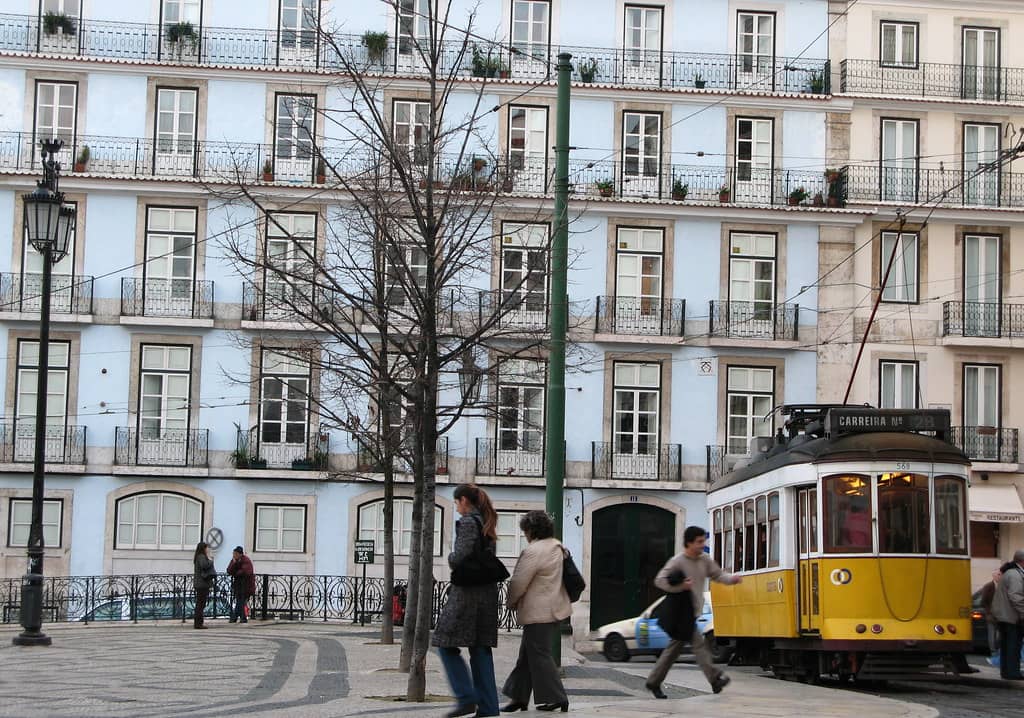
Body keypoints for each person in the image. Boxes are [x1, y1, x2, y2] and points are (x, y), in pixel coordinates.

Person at [646, 525, 741, 699]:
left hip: (692, 611)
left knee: (674, 650)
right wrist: (681, 586)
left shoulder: (704, 560)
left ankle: (654, 682)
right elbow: (659, 580)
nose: (701, 545)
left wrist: (732, 579)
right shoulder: (678, 561)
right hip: (682, 612)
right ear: (689, 543)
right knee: (698, 645)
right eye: (698, 542)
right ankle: (714, 679)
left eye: (703, 541)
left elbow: (717, 575)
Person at [433, 484, 501, 717]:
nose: (456, 507)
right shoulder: (487, 522)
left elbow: (460, 556)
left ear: (464, 500)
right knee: (481, 649)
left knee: (444, 642)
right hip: (486, 594)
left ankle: (466, 697)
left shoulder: (469, 523)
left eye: (456, 502)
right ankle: (489, 707)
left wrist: (450, 557)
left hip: (468, 594)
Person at [500, 510, 570, 713]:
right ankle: (519, 698)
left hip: (538, 611)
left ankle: (558, 697)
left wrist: (511, 602)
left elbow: (519, 582)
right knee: (527, 656)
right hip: (553, 608)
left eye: (525, 531)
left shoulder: (534, 551)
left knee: (539, 655)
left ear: (531, 530)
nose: (524, 534)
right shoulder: (557, 547)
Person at [991, 549, 1024, 680]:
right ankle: (1012, 672)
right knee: (1013, 645)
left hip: (1004, 616)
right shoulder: (1015, 575)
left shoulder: (1009, 573)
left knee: (1007, 645)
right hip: (1011, 617)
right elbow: (1016, 597)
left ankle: (1006, 671)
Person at [226, 545, 255, 624]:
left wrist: (236, 572)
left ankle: (238, 617)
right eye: (233, 553)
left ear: (240, 554)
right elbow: (229, 570)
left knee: (241, 601)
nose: (233, 555)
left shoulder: (246, 560)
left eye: (235, 553)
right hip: (238, 585)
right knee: (240, 601)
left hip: (246, 585)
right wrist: (234, 564)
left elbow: (245, 571)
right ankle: (240, 617)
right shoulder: (234, 560)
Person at [192, 542, 215, 629]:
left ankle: (198, 622)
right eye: (206, 548)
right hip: (202, 584)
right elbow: (204, 565)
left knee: (200, 604)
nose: (207, 550)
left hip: (200, 583)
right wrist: (211, 561)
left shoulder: (198, 556)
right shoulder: (201, 557)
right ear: (203, 548)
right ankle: (198, 623)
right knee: (201, 604)